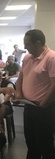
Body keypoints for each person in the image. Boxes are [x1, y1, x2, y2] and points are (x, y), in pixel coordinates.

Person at [15, 29, 55, 159]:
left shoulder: (51, 58)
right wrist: (19, 93)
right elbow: (21, 77)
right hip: (29, 106)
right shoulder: (27, 58)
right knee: (31, 142)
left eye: (27, 44)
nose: (25, 47)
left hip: (44, 108)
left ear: (38, 43)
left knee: (45, 144)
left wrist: (43, 105)